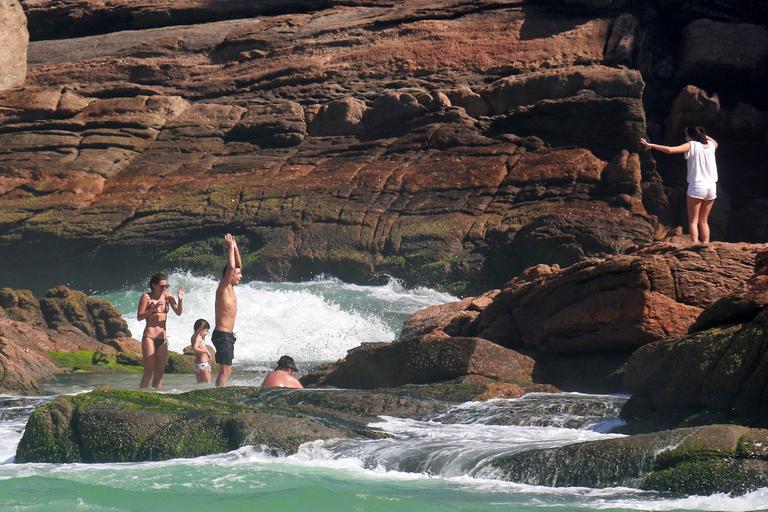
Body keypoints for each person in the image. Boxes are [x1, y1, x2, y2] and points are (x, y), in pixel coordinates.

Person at [640, 126, 719, 243]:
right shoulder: (711, 146)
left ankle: (695, 244)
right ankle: (706, 245)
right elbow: (715, 142)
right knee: (703, 220)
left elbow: (670, 150)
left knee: (693, 220)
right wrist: (702, 135)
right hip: (712, 186)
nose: (685, 138)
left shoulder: (692, 145)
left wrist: (650, 145)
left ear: (691, 137)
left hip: (698, 185)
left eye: (687, 135)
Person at [137, 272, 183, 388]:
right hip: (149, 337)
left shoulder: (167, 296)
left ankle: (157, 395)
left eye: (166, 286)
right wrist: (153, 309)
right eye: (162, 286)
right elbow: (139, 316)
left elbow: (178, 312)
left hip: (162, 338)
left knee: (160, 373)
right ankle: (142, 395)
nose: (164, 288)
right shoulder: (146, 297)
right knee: (149, 371)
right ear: (153, 285)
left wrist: (180, 300)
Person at [213, 233, 242, 387]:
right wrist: (230, 247)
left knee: (227, 370)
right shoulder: (223, 288)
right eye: (238, 274)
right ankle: (218, 395)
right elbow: (231, 267)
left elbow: (237, 265)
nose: (241, 275)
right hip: (222, 335)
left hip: (228, 335)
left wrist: (235, 246)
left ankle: (219, 392)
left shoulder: (231, 288)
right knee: (225, 371)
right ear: (229, 276)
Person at [191, 318, 213, 384]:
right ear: (200, 328)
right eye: (206, 330)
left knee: (199, 385)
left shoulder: (193, 336)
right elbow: (195, 348)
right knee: (208, 384)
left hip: (197, 365)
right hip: (203, 364)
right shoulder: (198, 337)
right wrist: (206, 351)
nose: (207, 333)